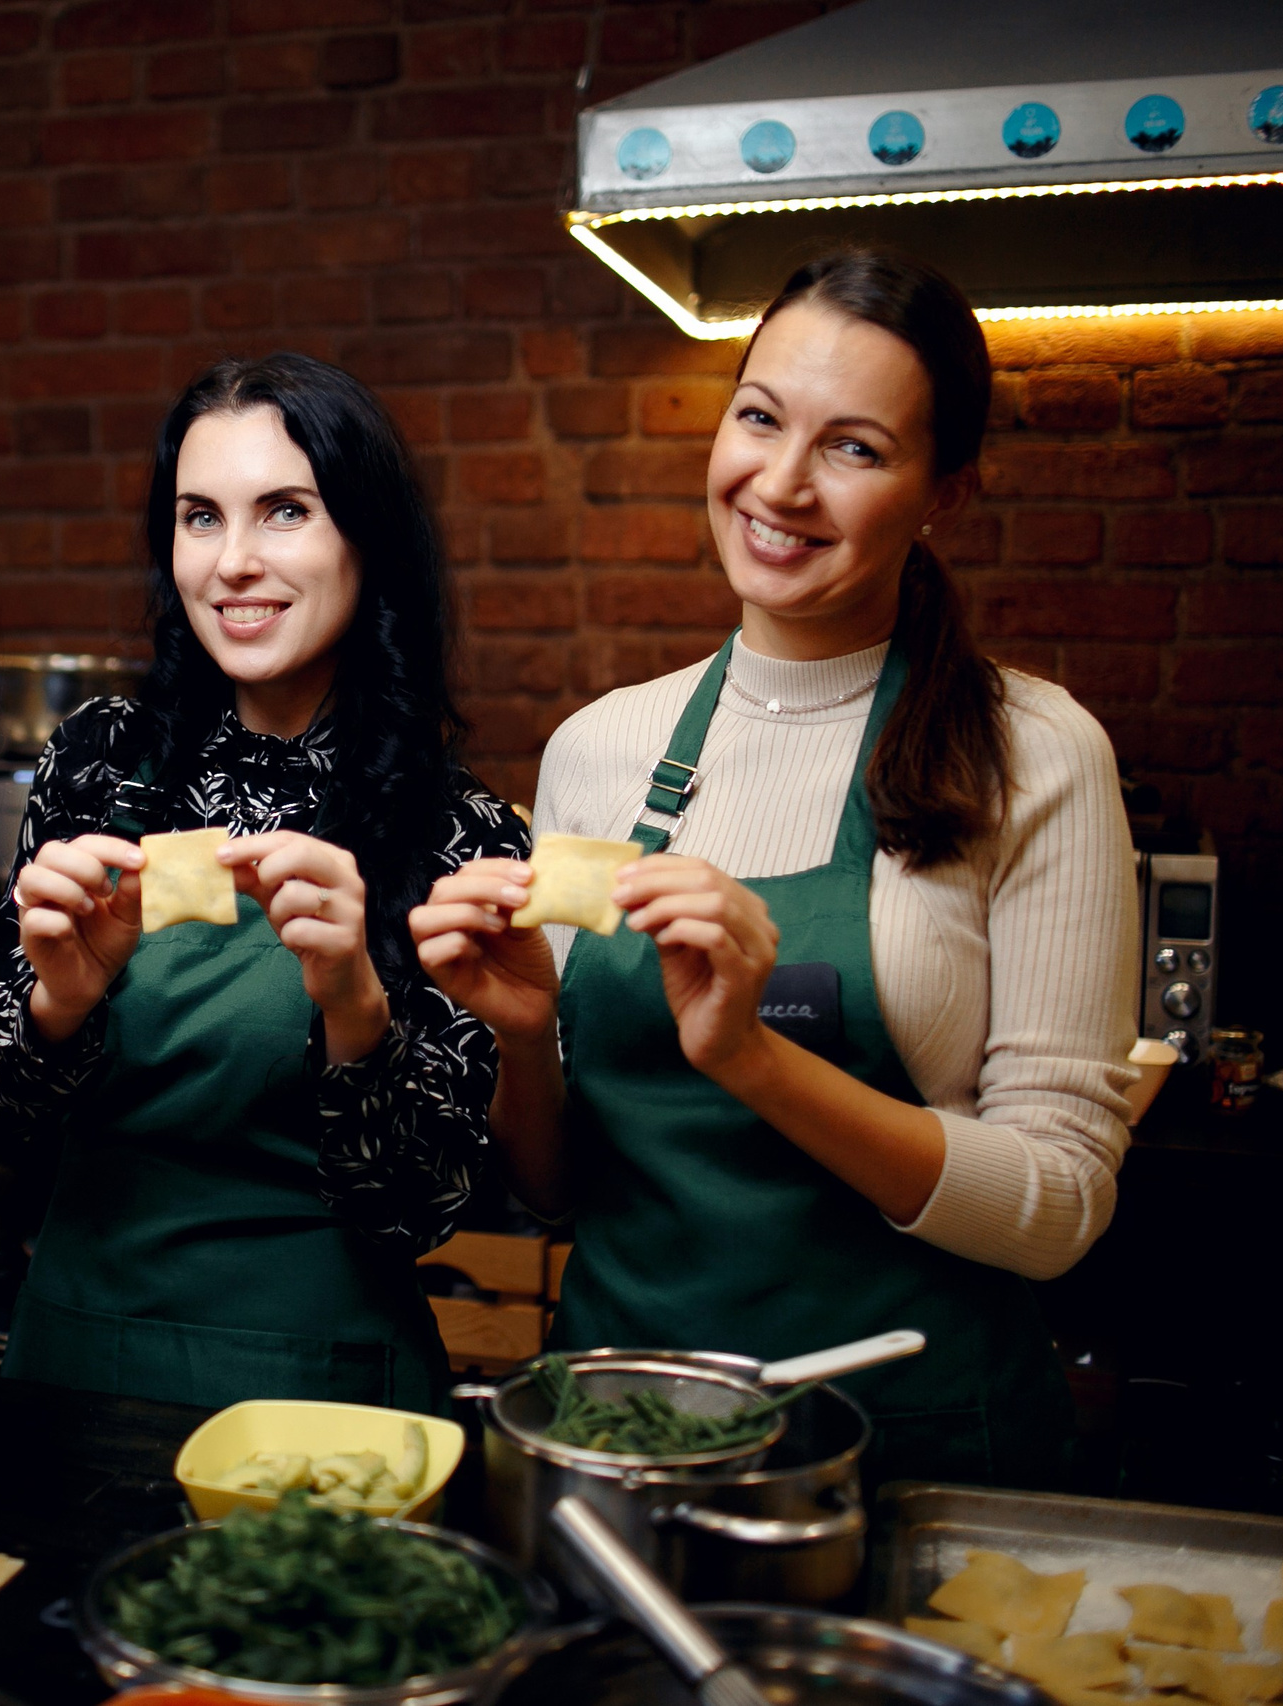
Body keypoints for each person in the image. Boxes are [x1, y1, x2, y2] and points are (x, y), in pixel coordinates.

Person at [411, 249, 1136, 1488]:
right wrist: (525, 1038)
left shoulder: (1032, 751)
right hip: (619, 1439)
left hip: (910, 1452)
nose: (782, 483)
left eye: (854, 448)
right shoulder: (601, 750)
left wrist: (750, 1053)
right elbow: (561, 1193)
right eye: (759, 418)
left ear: (942, 493)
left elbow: (1059, 1204)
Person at [0, 353, 527, 1415]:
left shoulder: (459, 832)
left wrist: (355, 1008)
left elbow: (424, 1208)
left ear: (366, 538)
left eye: (285, 512)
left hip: (326, 1396)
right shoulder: (100, 764)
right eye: (200, 517)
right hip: (75, 1368)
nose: (234, 563)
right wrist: (57, 1000)